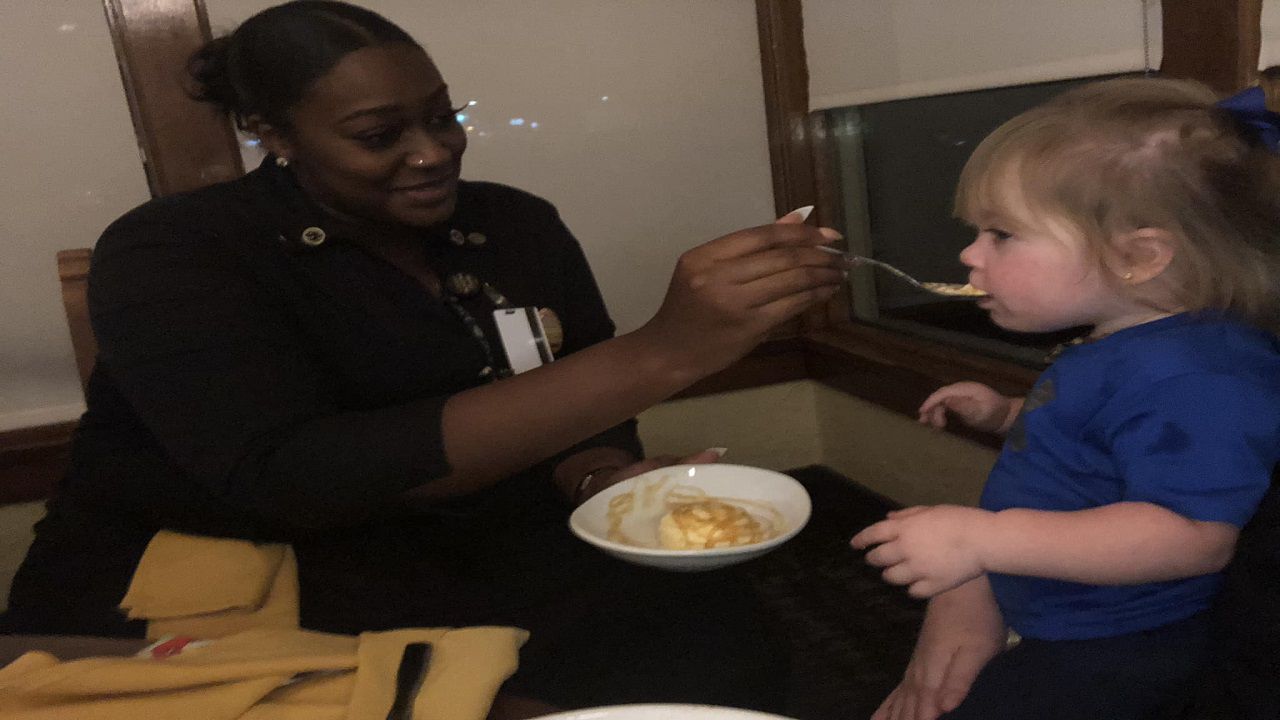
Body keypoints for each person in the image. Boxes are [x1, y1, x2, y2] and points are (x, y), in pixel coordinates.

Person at [2, 1, 846, 710]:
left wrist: (596, 477)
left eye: (442, 117)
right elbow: (294, 476)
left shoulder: (515, 223)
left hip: (490, 533)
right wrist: (662, 351)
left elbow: (581, 401)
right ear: (271, 133)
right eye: (380, 135)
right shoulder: (174, 251)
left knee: (706, 638)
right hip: (249, 554)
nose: (433, 151)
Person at [850, 76, 1280, 720]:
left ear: (1138, 257)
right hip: (1059, 610)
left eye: (1002, 234)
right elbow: (1111, 439)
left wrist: (986, 541)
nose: (970, 253)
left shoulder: (1200, 377)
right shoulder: (1125, 343)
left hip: (1116, 646)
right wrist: (1006, 413)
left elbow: (1190, 534)